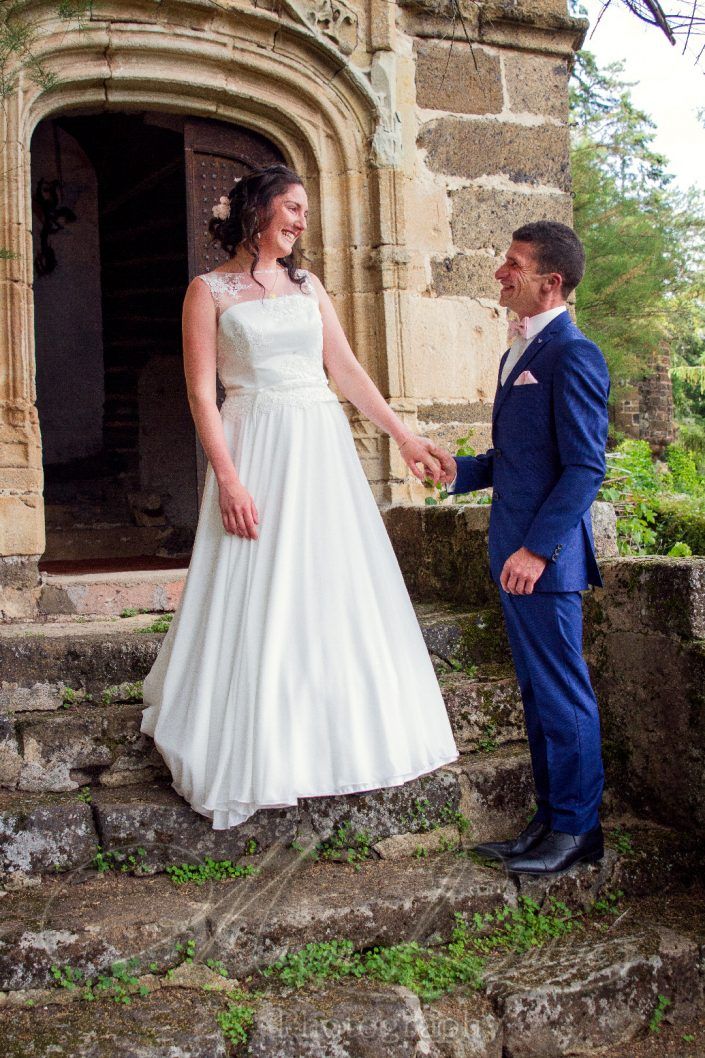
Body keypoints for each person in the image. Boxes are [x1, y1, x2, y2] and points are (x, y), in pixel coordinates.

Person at [140, 164, 459, 829]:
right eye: (291, 206)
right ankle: (255, 734)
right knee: (256, 580)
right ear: (257, 210)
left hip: (319, 442)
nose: (302, 220)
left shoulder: (307, 284)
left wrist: (403, 436)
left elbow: (343, 368)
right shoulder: (208, 291)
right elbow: (204, 395)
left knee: (328, 577)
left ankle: (332, 731)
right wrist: (227, 477)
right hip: (254, 443)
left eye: (306, 210)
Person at [428, 221, 610, 876]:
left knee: (563, 696)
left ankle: (578, 831)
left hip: (544, 562)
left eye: (512, 264)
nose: (500, 273)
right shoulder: (519, 352)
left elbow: (585, 467)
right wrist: (458, 471)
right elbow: (520, 460)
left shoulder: (573, 354)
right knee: (538, 696)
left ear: (548, 280)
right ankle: (547, 823)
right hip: (515, 555)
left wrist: (536, 549)